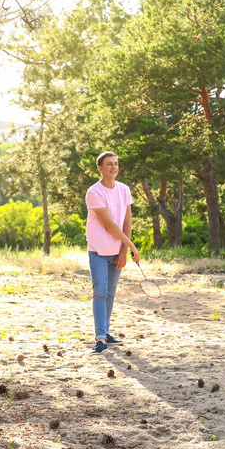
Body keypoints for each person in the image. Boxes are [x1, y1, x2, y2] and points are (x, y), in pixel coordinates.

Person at [85, 151, 140, 353]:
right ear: (100, 169)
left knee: (110, 294)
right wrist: (133, 246)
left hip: (117, 251)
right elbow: (109, 226)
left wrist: (124, 251)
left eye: (116, 163)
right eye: (109, 164)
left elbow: (127, 223)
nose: (114, 167)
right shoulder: (94, 192)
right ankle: (100, 339)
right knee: (100, 292)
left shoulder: (124, 190)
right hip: (98, 251)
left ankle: (105, 331)